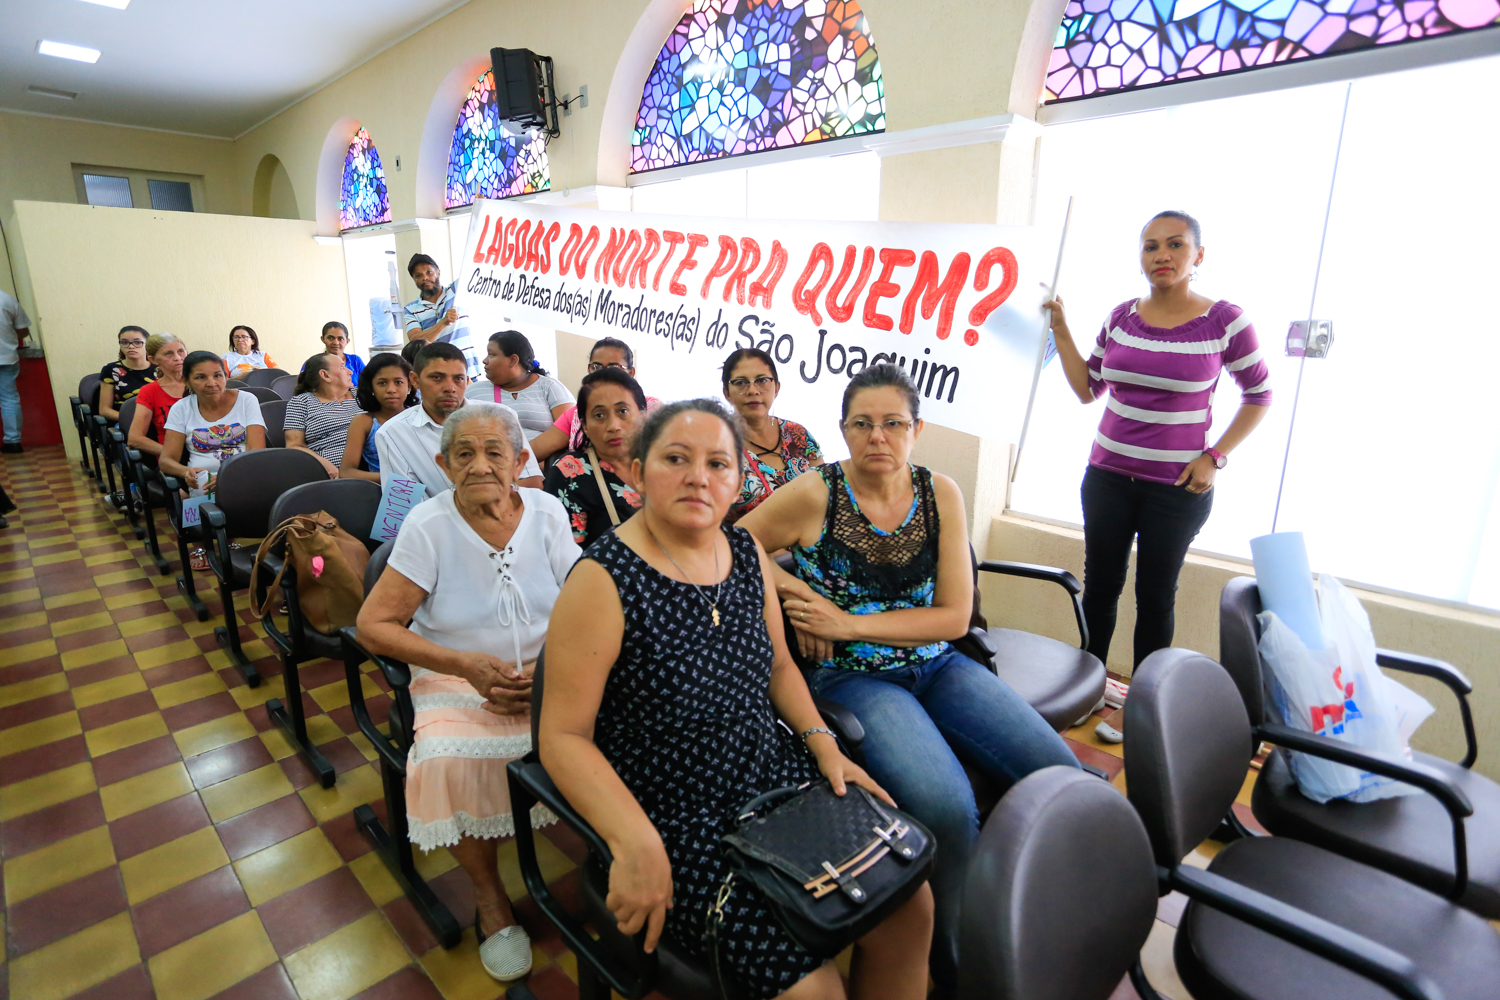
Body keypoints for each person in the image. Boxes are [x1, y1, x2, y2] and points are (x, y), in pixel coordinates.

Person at [541, 399, 934, 1000]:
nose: (699, 476)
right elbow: (563, 737)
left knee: (910, 903)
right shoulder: (603, 580)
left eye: (718, 464)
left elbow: (778, 665)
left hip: (775, 776)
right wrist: (633, 839)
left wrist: (822, 744)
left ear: (737, 482)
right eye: (676, 458)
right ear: (637, 472)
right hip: (673, 811)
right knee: (813, 991)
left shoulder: (746, 554)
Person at [738, 363, 1079, 993]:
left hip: (938, 664)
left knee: (1059, 771)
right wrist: (790, 593)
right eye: (863, 424)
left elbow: (952, 617)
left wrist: (847, 621)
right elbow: (736, 544)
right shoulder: (817, 491)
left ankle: (1042, 909)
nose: (878, 438)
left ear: (916, 429)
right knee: (946, 807)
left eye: (893, 423)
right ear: (843, 430)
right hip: (850, 681)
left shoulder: (939, 492)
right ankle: (955, 964)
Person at [357, 402, 577, 982]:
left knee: (629, 726)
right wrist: (465, 665)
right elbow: (373, 627)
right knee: (448, 758)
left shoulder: (550, 512)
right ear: (443, 463)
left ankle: (614, 859)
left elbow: (582, 600)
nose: (480, 465)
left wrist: (552, 670)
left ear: (520, 458)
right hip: (456, 674)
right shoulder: (428, 525)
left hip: (550, 668)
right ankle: (490, 899)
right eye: (464, 454)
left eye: (495, 452)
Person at [1045, 209, 1272, 670]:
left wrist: (1215, 457)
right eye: (1151, 246)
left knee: (1154, 599)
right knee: (1101, 591)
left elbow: (1260, 393)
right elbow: (1089, 389)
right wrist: (1062, 329)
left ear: (1198, 255)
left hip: (1175, 489)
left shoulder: (1225, 320)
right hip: (1106, 479)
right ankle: (1086, 689)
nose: (1162, 255)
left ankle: (1146, 707)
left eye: (1175, 244)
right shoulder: (1121, 317)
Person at [377, 342, 541, 498]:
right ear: (414, 380)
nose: (450, 387)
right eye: (437, 378)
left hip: (509, 522)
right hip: (437, 526)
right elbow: (404, 506)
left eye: (458, 379)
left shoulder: (502, 417)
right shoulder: (392, 433)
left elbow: (530, 484)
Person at [160, 352, 268, 571]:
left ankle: (231, 536)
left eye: (218, 375)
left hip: (245, 472)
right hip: (201, 478)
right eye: (200, 377)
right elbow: (166, 460)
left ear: (226, 376)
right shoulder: (181, 408)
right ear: (186, 381)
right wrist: (183, 472)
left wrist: (229, 478)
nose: (212, 383)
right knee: (197, 483)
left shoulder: (247, 401)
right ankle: (200, 543)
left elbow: (256, 452)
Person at [543, 368, 645, 547]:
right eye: (599, 415)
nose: (613, 426)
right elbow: (565, 556)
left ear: (643, 416)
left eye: (623, 411)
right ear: (585, 425)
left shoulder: (665, 464)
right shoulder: (570, 472)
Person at [721, 347, 823, 524]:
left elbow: (827, 491)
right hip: (754, 549)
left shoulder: (797, 434)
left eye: (762, 380)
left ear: (776, 388)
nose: (753, 390)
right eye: (740, 383)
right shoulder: (719, 446)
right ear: (727, 393)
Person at [529, 337, 661, 463]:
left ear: (631, 373)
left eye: (613, 368)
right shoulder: (577, 414)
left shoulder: (653, 409)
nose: (602, 374)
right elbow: (532, 452)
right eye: (596, 367)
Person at [464, 330, 573, 440]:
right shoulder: (472, 392)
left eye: (491, 355)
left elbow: (570, 431)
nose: (484, 361)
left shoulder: (550, 388)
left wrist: (528, 455)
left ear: (513, 360)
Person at [340, 353, 415, 483]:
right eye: (382, 383)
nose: (391, 389)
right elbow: (346, 472)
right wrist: (398, 480)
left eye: (398, 382)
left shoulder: (419, 417)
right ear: (371, 387)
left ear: (409, 386)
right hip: (387, 493)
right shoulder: (363, 422)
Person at [285, 353, 360, 478]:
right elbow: (294, 446)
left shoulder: (362, 395)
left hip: (374, 462)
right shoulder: (301, 403)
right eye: (342, 367)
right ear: (325, 375)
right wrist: (323, 464)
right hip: (331, 474)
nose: (350, 372)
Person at [403, 254, 477, 378]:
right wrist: (443, 322)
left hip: (468, 371)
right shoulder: (411, 309)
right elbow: (416, 341)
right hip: (439, 376)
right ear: (414, 279)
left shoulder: (456, 291)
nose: (425, 278)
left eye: (429, 272)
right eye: (418, 275)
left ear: (438, 272)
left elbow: (476, 267)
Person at [128, 334, 188, 457]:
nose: (177, 358)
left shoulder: (200, 383)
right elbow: (134, 438)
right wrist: (170, 454)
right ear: (154, 360)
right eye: (168, 354)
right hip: (175, 459)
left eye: (181, 351)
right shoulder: (149, 391)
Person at [97, 325, 156, 425]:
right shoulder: (112, 370)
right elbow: (104, 409)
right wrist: (134, 420)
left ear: (148, 345)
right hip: (127, 421)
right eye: (124, 342)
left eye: (137, 342)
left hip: (157, 420)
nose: (131, 346)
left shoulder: (160, 369)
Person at [0, 287, 32, 453]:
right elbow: (23, 330)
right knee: (9, 399)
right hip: (5, 357)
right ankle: (13, 441)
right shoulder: (6, 299)